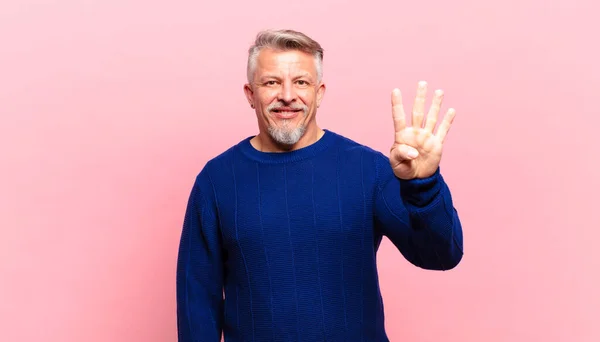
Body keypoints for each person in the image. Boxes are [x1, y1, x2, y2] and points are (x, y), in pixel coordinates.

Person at [176, 29, 464, 342]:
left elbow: (441, 256)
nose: (287, 95)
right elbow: (197, 303)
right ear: (250, 94)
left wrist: (423, 184)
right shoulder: (216, 180)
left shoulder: (369, 169)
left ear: (320, 92)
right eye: (272, 82)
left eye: (301, 82)